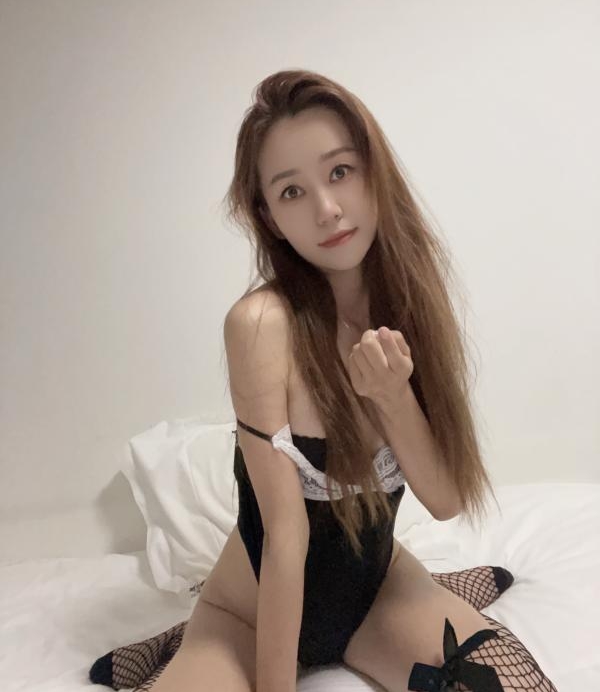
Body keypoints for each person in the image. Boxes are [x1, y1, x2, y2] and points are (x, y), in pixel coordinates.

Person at [89, 70, 558, 692]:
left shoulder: (410, 304)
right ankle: (183, 637)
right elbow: (285, 538)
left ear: (373, 172)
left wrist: (392, 396)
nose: (327, 209)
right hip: (251, 611)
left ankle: (439, 587)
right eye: (291, 191)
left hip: (376, 595)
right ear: (269, 216)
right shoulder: (261, 325)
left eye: (340, 171)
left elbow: (445, 501)